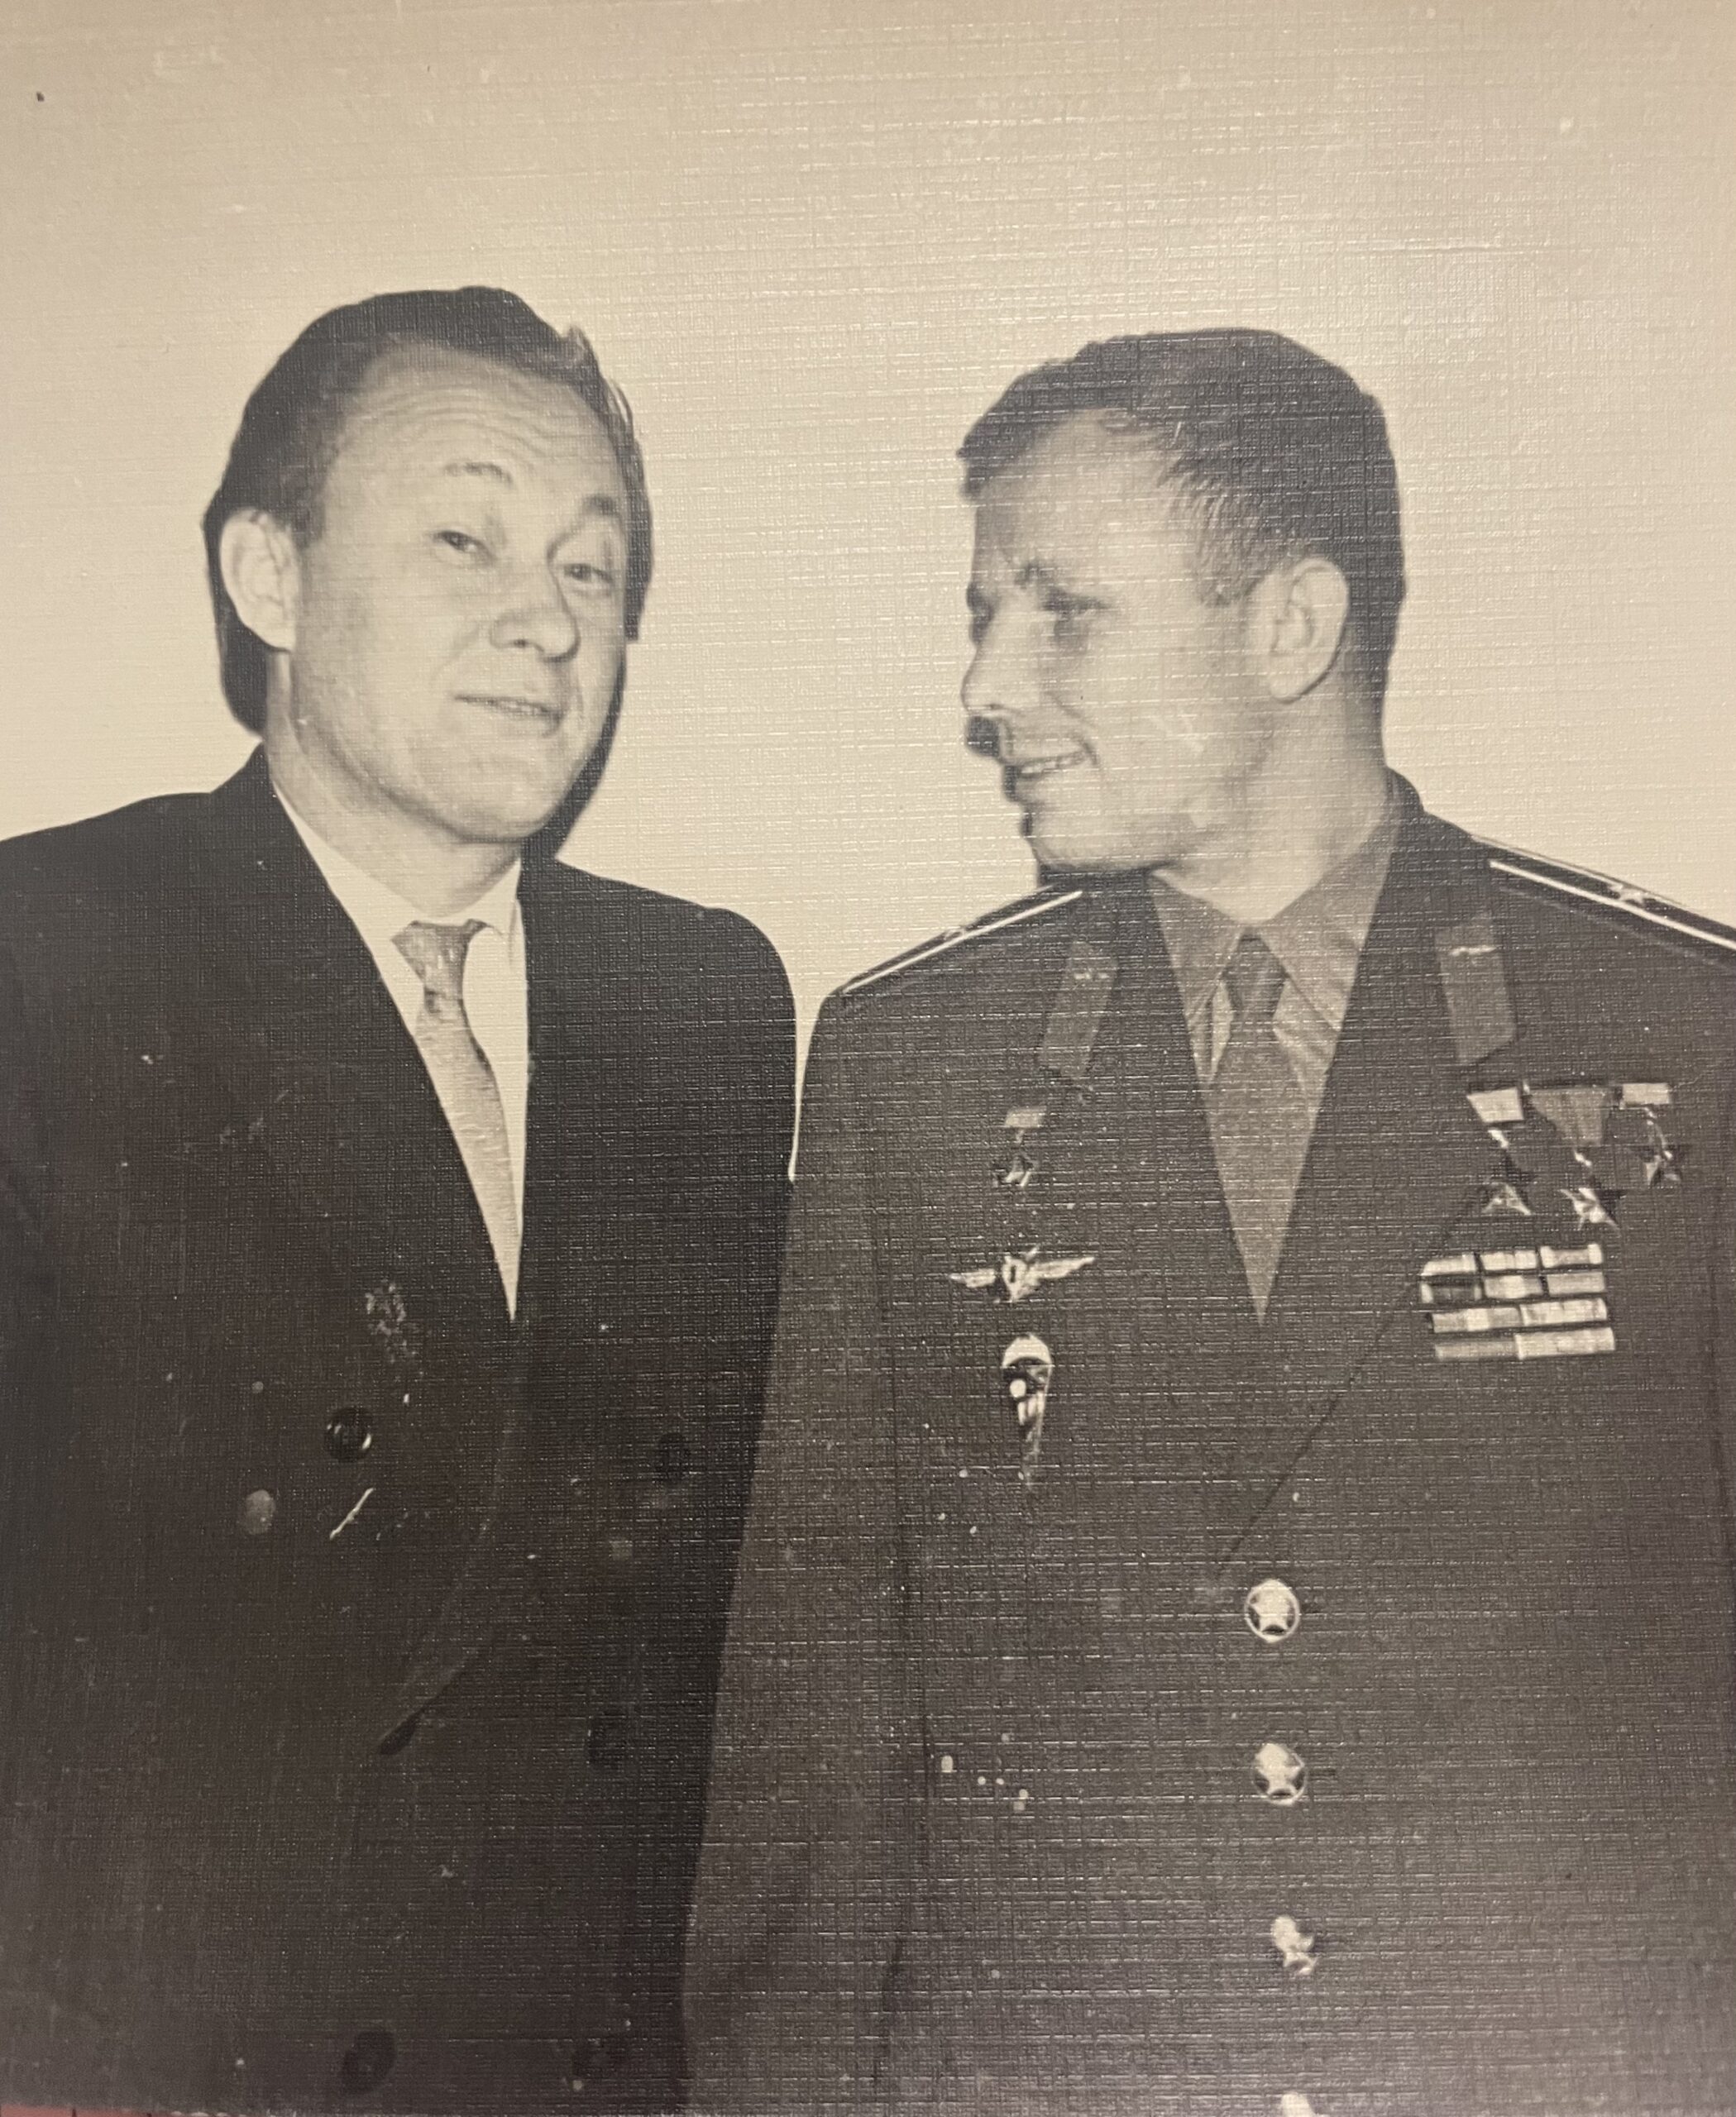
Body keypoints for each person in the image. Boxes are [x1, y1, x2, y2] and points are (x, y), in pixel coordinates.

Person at [687, 329, 1736, 2115]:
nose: (988, 685)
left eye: (1065, 612)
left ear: (1290, 627)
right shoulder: (908, 1064)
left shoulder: (1676, 1033)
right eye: (985, 614)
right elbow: (816, 1742)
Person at [0, 286, 794, 2114]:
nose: (551, 620)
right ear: (267, 576)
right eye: (465, 540)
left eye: (593, 569)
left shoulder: (703, 1002)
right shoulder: (56, 962)